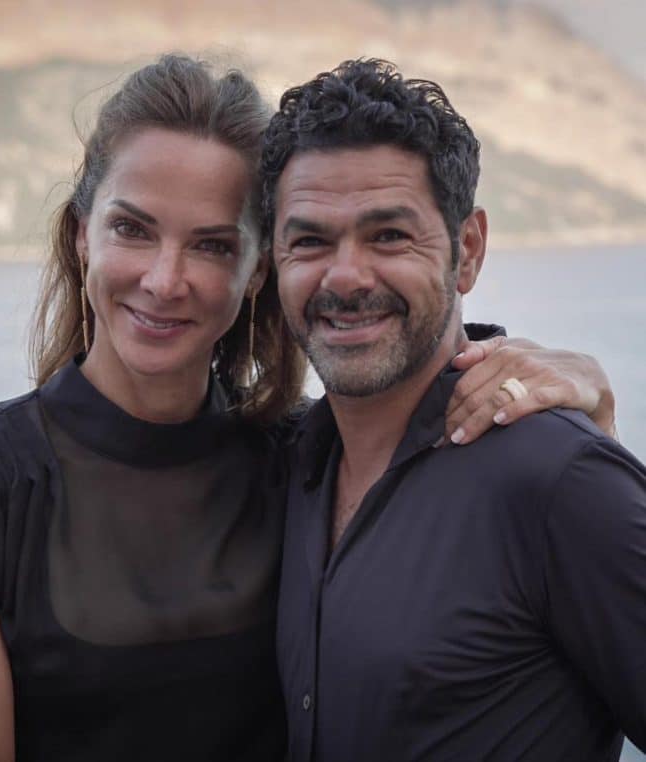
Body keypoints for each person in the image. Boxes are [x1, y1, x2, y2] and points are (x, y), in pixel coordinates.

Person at [0, 55, 618, 762]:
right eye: (132, 229)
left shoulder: (303, 459)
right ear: (81, 235)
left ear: (257, 268)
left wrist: (590, 398)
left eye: (211, 245)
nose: (164, 280)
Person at [266, 59, 646, 761]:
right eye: (310, 240)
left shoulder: (561, 480)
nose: (345, 276)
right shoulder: (285, 465)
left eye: (388, 235)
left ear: (466, 251)